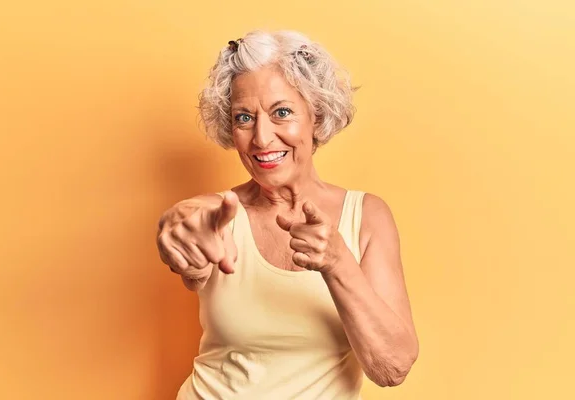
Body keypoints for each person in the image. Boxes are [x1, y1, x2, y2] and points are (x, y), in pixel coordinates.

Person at [156, 30, 419, 400]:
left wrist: (337, 261)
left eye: (282, 112)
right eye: (244, 118)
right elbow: (186, 232)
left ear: (317, 116)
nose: (262, 138)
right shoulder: (218, 215)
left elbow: (391, 367)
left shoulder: (367, 216)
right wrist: (178, 237)